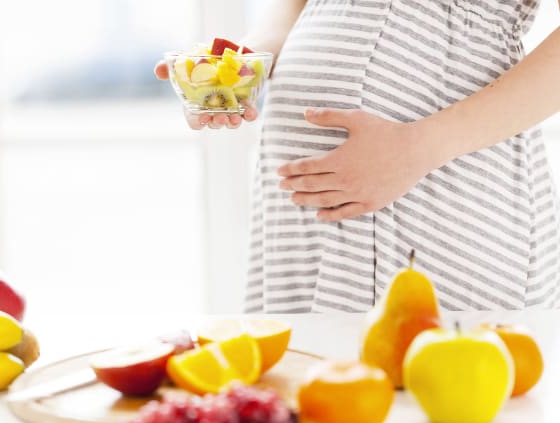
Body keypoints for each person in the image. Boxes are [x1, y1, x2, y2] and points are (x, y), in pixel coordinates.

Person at [155, 0, 560, 312]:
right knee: (308, 392)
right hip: (298, 220)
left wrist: (417, 148)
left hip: (444, 187)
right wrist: (242, 66)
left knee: (436, 396)